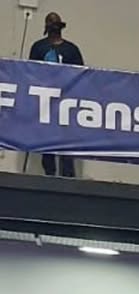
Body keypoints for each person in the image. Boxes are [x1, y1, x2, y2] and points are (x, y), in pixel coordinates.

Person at [28, 14, 84, 179]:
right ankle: (50, 174)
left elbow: (80, 74)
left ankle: (67, 176)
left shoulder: (71, 50)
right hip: (45, 101)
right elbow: (30, 72)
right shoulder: (38, 47)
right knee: (47, 141)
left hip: (66, 101)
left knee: (66, 140)